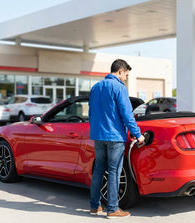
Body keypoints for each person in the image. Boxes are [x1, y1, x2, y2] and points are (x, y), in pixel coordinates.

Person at [88, 59, 145, 219]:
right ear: (120, 71)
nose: (126, 77)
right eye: (126, 74)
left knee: (99, 170)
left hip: (98, 136)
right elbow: (127, 115)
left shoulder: (96, 87)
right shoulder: (119, 88)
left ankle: (95, 206)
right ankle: (112, 209)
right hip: (114, 137)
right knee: (114, 171)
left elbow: (91, 113)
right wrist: (137, 134)